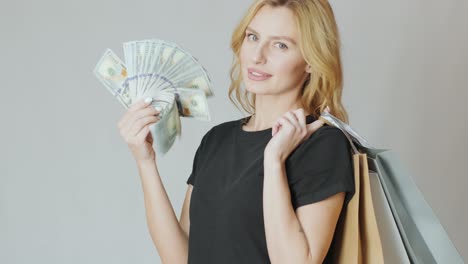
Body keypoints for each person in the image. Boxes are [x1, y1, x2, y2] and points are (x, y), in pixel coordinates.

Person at [117, 0, 355, 263]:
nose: (257, 56)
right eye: (253, 37)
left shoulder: (322, 144)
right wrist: (145, 161)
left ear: (311, 60)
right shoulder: (216, 140)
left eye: (280, 45)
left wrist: (273, 160)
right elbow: (179, 258)